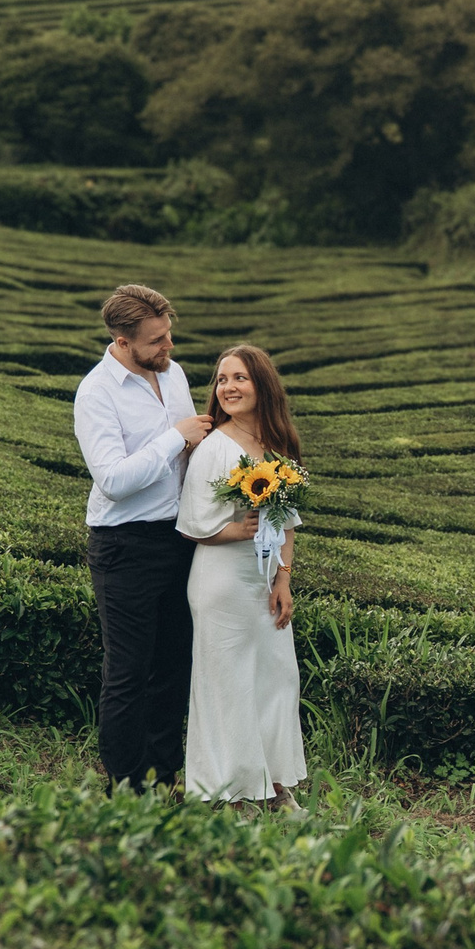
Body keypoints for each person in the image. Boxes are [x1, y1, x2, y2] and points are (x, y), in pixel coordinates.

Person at [73, 283, 245, 790]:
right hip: (125, 544)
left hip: (179, 537)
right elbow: (114, 480)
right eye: (157, 340)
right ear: (122, 341)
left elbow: (189, 453)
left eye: (169, 335)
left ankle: (163, 776)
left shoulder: (171, 375)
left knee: (173, 663)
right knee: (128, 670)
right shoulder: (96, 393)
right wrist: (177, 437)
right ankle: (125, 783)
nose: (168, 347)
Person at [176, 344, 307, 807]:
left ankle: (273, 784)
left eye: (240, 378)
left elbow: (287, 522)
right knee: (227, 684)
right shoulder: (215, 448)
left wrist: (283, 580)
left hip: (263, 582)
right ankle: (230, 791)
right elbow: (193, 522)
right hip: (222, 581)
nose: (228, 387)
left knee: (276, 680)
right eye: (221, 379)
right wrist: (237, 530)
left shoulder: (275, 446)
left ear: (262, 385)